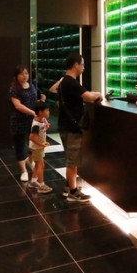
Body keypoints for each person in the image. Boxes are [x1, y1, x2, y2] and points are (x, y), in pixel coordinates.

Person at [57, 52, 103, 202]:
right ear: (76, 65)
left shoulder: (64, 81)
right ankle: (73, 192)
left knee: (72, 158)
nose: (83, 67)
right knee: (73, 161)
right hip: (72, 128)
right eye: (82, 64)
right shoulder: (71, 82)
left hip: (65, 125)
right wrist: (98, 94)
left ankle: (68, 186)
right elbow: (88, 96)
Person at [8, 65, 45, 182]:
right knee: (19, 145)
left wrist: (41, 101)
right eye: (22, 74)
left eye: (26, 73)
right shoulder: (14, 89)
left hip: (32, 120)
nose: (25, 76)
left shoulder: (32, 85)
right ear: (16, 76)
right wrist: (33, 112)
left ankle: (30, 160)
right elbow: (17, 106)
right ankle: (23, 171)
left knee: (33, 143)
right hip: (19, 120)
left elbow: (34, 101)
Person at [27, 100, 53, 194]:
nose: (48, 112)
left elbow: (42, 129)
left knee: (38, 164)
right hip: (36, 148)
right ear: (40, 112)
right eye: (47, 110)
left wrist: (46, 126)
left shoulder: (41, 119)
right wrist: (41, 144)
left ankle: (33, 181)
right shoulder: (36, 124)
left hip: (38, 147)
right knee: (41, 165)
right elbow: (31, 137)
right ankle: (41, 185)